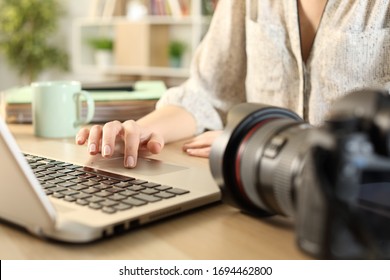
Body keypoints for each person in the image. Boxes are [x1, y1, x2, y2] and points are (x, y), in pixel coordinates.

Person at [76, 0, 390, 168]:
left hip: (361, 202)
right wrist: (139, 132)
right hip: (258, 192)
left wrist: (258, 141)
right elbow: (206, 93)